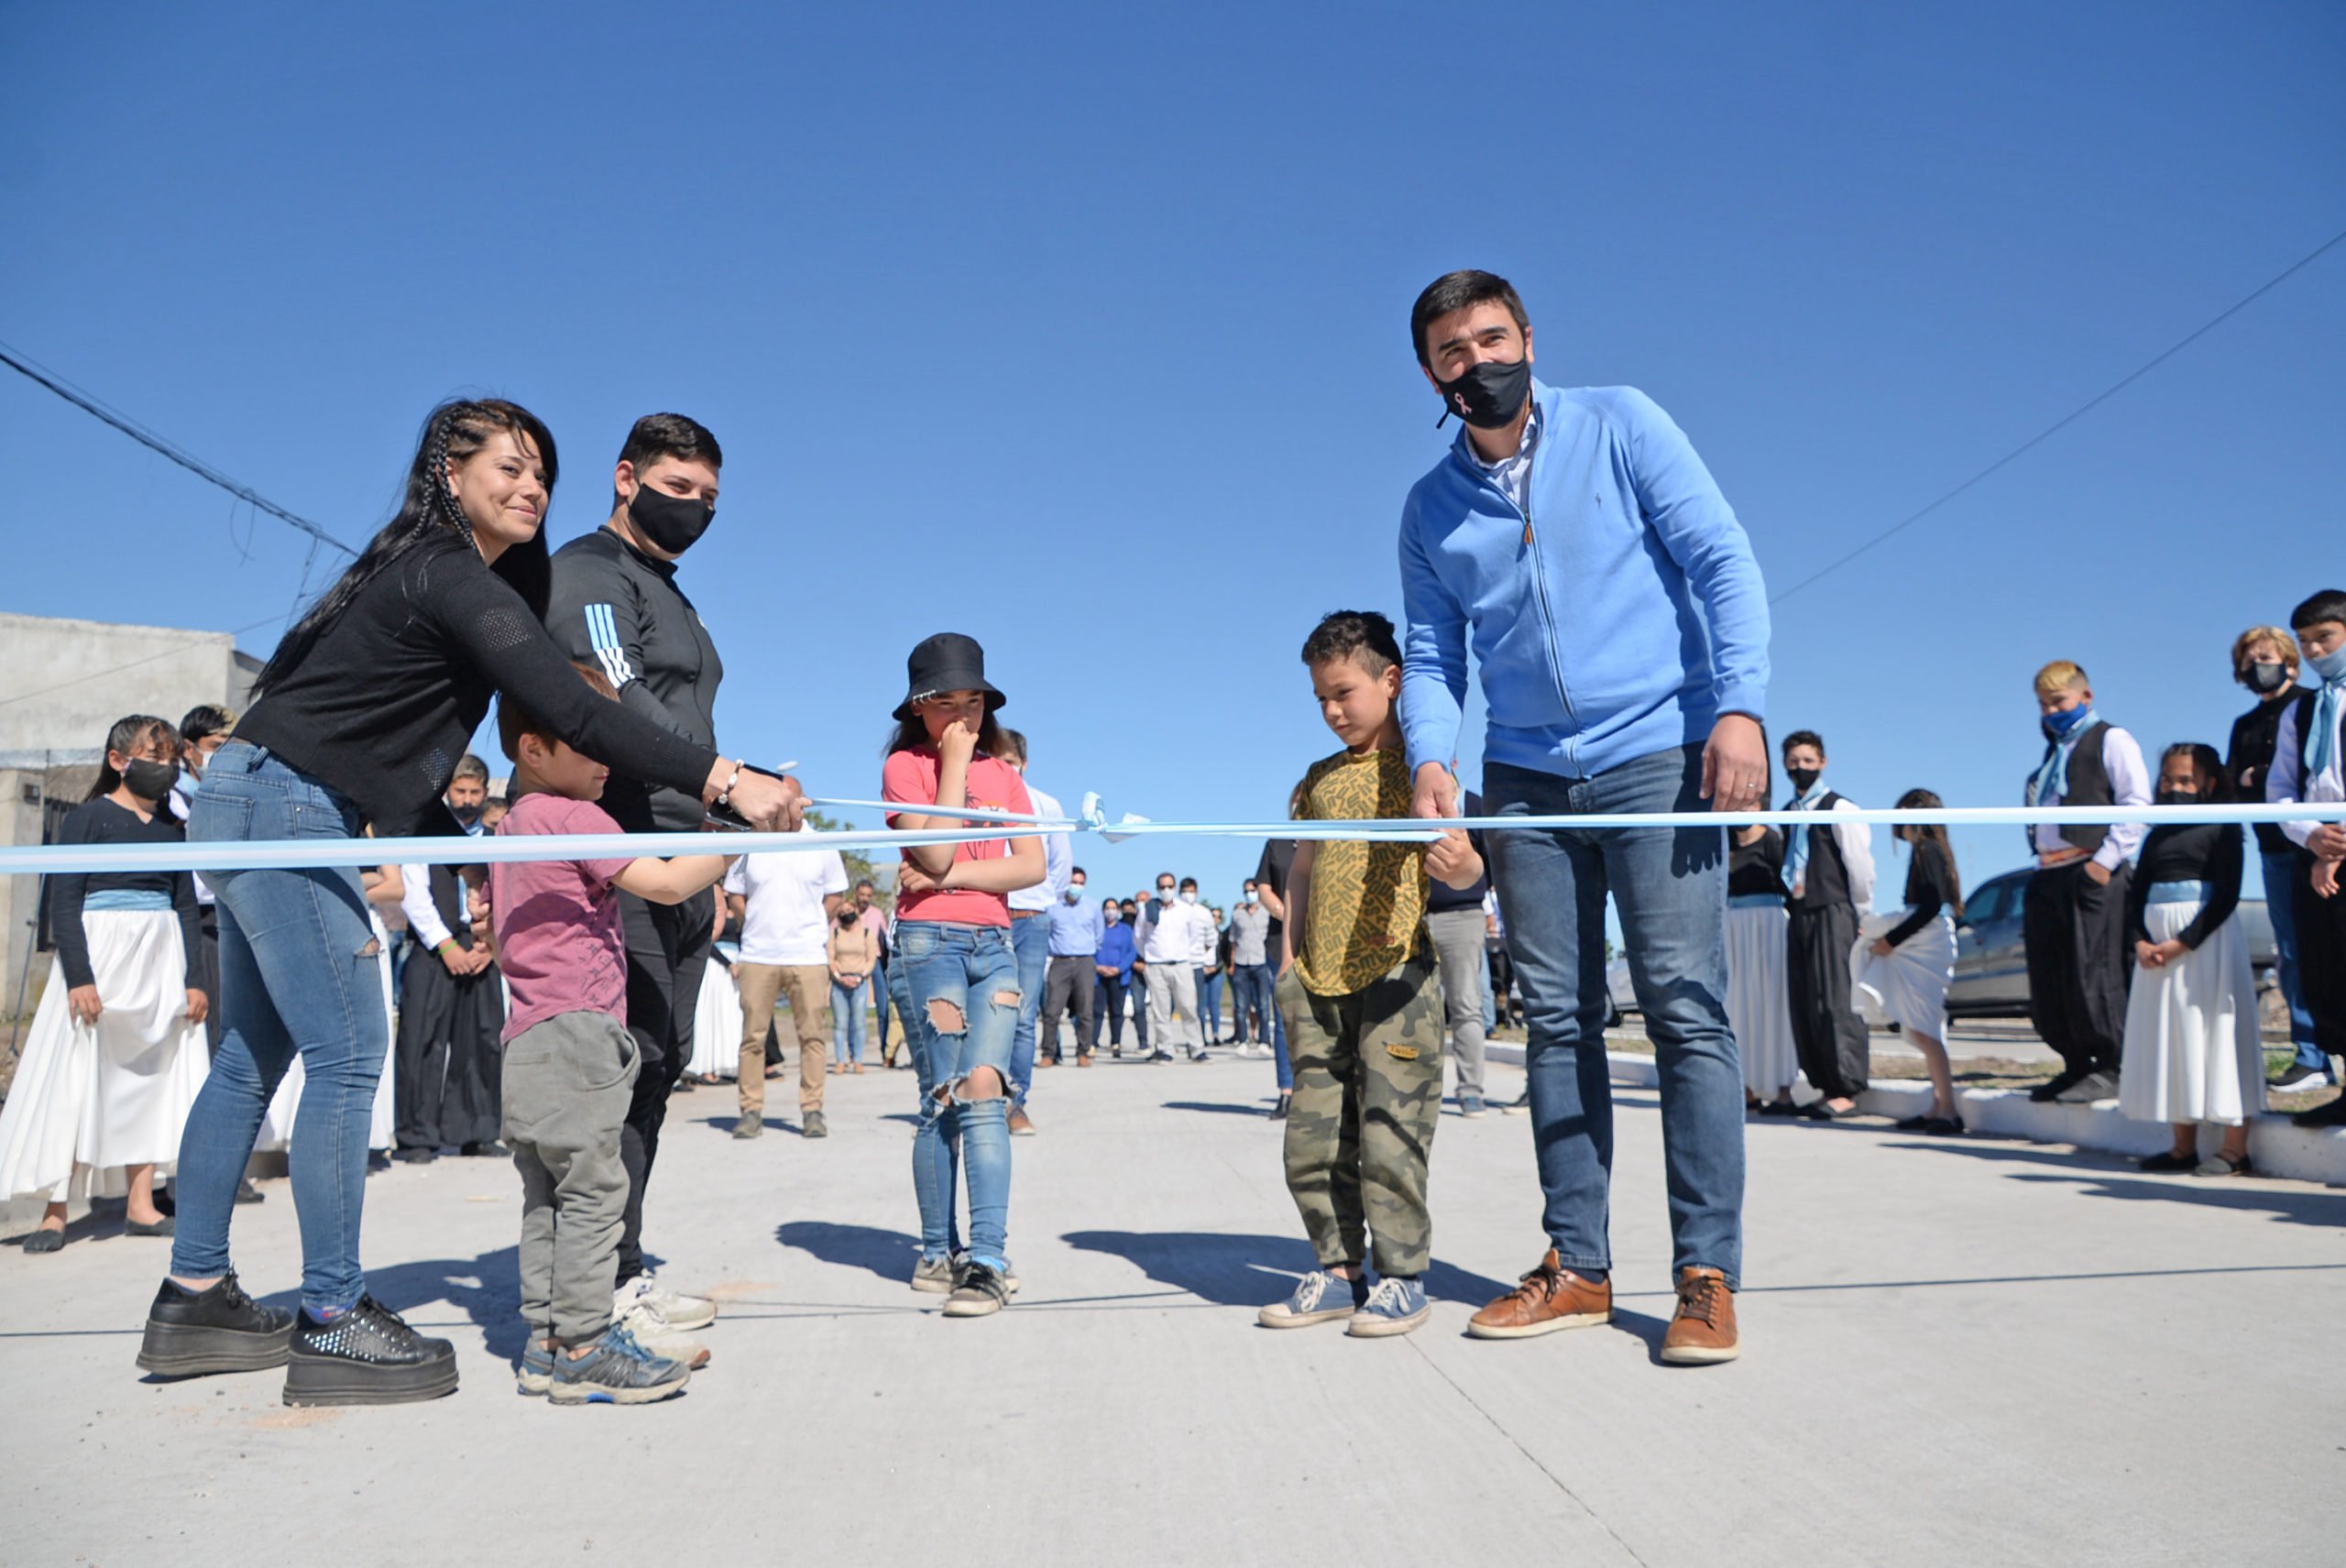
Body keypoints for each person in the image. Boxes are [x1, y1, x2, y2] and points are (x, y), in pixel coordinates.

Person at [141, 399, 795, 1408]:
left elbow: (410, 736)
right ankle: (331, 1316)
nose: (532, 486)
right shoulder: (446, 572)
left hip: (253, 790)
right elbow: (580, 710)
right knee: (351, 1052)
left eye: (542, 472)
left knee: (249, 1059)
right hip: (283, 802)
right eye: (510, 467)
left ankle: (194, 1298)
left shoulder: (438, 577)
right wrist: (724, 781)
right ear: (449, 474)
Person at [1396, 270, 1766, 1365]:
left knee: (1683, 1009)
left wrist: (1737, 706)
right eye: (1452, 352)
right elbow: (1430, 653)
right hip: (1523, 780)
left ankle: (1705, 1275)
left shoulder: (1619, 422)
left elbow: (1719, 558)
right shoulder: (1429, 508)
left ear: (1528, 338)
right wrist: (1431, 758)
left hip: (1660, 753)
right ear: (1430, 373)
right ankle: (1579, 1266)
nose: (1477, 362)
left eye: (1492, 338)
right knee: (1554, 1020)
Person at [545, 411, 762, 1332]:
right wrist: (726, 782)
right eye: (678, 490)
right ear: (626, 476)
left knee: (660, 1067)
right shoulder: (592, 574)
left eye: (710, 497)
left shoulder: (679, 597)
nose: (695, 509)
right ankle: (591, 1285)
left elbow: (682, 715)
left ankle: (622, 1264)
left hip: (683, 851)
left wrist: (712, 840)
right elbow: (617, 700)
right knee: (617, 1070)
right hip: (617, 847)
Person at [491, 662, 732, 1403]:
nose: (609, 758)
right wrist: (735, 841)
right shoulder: (574, 817)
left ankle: (546, 1342)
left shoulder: (510, 825)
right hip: (580, 1033)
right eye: (593, 742)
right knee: (595, 1190)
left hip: (525, 1034)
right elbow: (662, 882)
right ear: (534, 748)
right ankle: (588, 1346)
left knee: (547, 1196)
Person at [1258, 611, 1483, 1338]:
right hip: (1318, 984)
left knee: (1390, 1135)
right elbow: (1301, 867)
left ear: (1392, 680)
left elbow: (1473, 867)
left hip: (1396, 982)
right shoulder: (1316, 782)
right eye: (1320, 697)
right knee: (1314, 1142)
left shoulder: (1428, 774)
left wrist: (1468, 867)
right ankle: (1337, 1269)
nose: (1331, 710)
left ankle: (1402, 1277)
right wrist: (1290, 962)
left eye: (1344, 692)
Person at [0, 715, 210, 1252]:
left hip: (157, 966)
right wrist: (80, 977)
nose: (163, 770)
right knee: (74, 1080)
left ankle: (141, 1204)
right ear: (119, 761)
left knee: (149, 1081)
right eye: (152, 758)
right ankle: (55, 1211)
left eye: (170, 761)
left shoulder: (172, 828)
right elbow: (64, 903)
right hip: (100, 961)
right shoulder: (89, 819)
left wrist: (193, 979)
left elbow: (185, 907)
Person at [882, 632, 1045, 1318]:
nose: (962, 718)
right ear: (919, 709)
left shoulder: (1008, 778)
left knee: (986, 1088)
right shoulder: (903, 768)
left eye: (973, 702)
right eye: (945, 704)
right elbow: (936, 840)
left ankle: (987, 1260)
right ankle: (934, 1250)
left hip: (995, 944)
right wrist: (952, 764)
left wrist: (953, 874)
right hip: (928, 945)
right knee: (942, 1096)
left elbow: (1030, 866)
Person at [2121, 744, 2263, 1175]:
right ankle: (2182, 1146)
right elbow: (2135, 893)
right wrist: (2141, 942)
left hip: (2207, 947)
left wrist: (2183, 942)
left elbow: (2226, 895)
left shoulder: (2223, 826)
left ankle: (2236, 1150)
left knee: (2215, 1034)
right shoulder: (2156, 832)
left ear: (2209, 783)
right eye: (2168, 780)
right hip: (2156, 957)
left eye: (2185, 780)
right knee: (2174, 1041)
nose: (2174, 788)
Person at [2022, 661, 2150, 1105]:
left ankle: (2113, 1063)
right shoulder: (2054, 752)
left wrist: (2105, 861)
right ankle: (2074, 1062)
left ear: (2085, 697)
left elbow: (2136, 801)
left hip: (2091, 869)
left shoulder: (2110, 739)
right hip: (2049, 872)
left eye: (2059, 701)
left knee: (2093, 969)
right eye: (2044, 704)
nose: (2051, 711)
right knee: (2051, 974)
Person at [2226, 626, 2327, 1092]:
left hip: (2323, 844)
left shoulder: (2313, 706)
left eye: (2264, 656)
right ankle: (2311, 1054)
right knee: (2293, 953)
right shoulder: (2244, 726)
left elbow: (2307, 775)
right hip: (2275, 851)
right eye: (2248, 660)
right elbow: (2232, 785)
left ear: (2290, 660)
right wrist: (2252, 779)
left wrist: (2259, 776)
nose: (2256, 667)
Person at [393, 754, 508, 1163]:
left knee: (483, 1040)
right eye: (459, 791)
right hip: (433, 945)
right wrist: (445, 945)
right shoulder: (425, 834)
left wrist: (486, 945)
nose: (467, 799)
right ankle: (416, 1136)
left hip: (482, 947)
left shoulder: (495, 838)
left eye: (475, 792)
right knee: (421, 1039)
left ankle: (476, 1131)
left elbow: (510, 891)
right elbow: (413, 892)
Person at [2266, 588, 2346, 1128]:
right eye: (2306, 643)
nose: (2316, 651)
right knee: (2326, 973)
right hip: (2315, 853)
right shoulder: (2302, 710)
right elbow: (2279, 789)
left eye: (2326, 638)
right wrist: (2314, 837)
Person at [724, 830, 850, 1140]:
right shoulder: (749, 844)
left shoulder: (821, 844)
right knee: (753, 1038)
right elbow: (734, 893)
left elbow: (836, 894)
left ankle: (812, 1110)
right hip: (757, 953)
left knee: (812, 1037)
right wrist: (752, 919)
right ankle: (750, 1111)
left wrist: (812, 922)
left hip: (807, 954)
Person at [1779, 730, 1875, 1120]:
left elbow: (1861, 867)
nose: (1800, 768)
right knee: (1805, 1002)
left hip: (1834, 910)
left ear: (1822, 762)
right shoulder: (1787, 813)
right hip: (1799, 913)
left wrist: (1861, 913)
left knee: (1837, 999)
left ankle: (1846, 1086)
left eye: (1807, 760)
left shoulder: (1840, 808)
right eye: (1793, 761)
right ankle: (1822, 1082)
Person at [1857, 791, 1964, 1134]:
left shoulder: (1926, 850)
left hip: (1926, 944)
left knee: (1925, 1027)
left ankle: (1948, 1108)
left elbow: (1930, 906)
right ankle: (1938, 1104)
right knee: (1923, 1026)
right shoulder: (1931, 851)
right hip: (1927, 941)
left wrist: (1891, 940)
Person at [995, 728, 1066, 1135]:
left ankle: (1015, 1103)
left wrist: (1035, 898)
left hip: (1031, 920)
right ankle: (975, 1099)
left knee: (1022, 1018)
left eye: (1008, 762)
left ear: (1023, 763)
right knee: (985, 1012)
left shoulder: (1045, 805)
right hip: (990, 915)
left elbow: (1058, 863)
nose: (1001, 769)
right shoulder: (977, 803)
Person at [1422, 787, 1496, 1116]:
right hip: (1414, 917)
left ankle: (1470, 1090)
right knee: (1419, 1010)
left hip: (1463, 916)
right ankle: (1420, 1089)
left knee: (1466, 1005)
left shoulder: (1475, 805)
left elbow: (1491, 862)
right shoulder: (1410, 802)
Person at [1725, 816, 1799, 1117]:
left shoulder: (1772, 839)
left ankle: (1783, 1090)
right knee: (1737, 1004)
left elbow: (1789, 883)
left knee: (1775, 1004)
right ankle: (1746, 1090)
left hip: (1769, 925)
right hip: (1733, 927)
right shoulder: (1724, 838)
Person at [1140, 872, 1214, 1062]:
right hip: (1156, 966)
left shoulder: (1184, 910)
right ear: (1157, 889)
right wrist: (1150, 955)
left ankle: (1197, 1048)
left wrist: (1184, 955)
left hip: (1181, 965)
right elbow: (1139, 937)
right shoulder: (1148, 910)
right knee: (1161, 1011)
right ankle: (1165, 1049)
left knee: (1189, 1008)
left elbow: (1194, 936)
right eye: (1163, 887)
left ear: (1175, 888)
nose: (1166, 890)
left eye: (1170, 886)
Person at [1255, 828, 1301, 1117]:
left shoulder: (1331, 835)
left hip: (1325, 936)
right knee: (1284, 1019)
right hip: (1280, 940)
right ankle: (1287, 1090)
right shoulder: (1278, 843)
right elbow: (1263, 887)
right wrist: (1289, 915)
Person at [1043, 865, 1103, 1067]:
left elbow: (1099, 935)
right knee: (1052, 1011)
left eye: (1080, 883)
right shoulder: (1053, 907)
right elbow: (1048, 934)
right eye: (1073, 882)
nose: (1076, 886)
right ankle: (1049, 1053)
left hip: (1084, 960)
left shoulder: (1093, 907)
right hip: (1059, 961)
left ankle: (1084, 1052)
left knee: (1085, 1010)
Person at [828, 897, 879, 1074]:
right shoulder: (834, 933)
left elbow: (871, 958)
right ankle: (840, 1061)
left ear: (856, 911)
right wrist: (838, 976)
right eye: (841, 913)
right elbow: (830, 958)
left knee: (859, 1023)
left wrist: (861, 976)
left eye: (849, 911)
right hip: (839, 982)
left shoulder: (866, 933)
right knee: (840, 1023)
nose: (845, 915)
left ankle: (857, 1060)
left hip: (860, 982)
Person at [853, 883, 897, 1067]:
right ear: (856, 894)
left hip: (877, 961)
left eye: (868, 895)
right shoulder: (848, 912)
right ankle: (852, 1056)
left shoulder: (877, 913)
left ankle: (885, 1053)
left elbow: (887, 938)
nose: (865, 898)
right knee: (854, 1010)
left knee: (883, 1008)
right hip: (855, 961)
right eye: (862, 894)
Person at [1228, 883, 1275, 1052]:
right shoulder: (1238, 914)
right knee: (1241, 1006)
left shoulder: (1267, 912)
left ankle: (1264, 1040)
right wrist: (1232, 963)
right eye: (1246, 891)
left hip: (1260, 962)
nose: (1249, 894)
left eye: (1252, 891)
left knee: (1263, 1005)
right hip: (1241, 962)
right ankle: (1242, 1040)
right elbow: (1233, 940)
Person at [1094, 898, 1138, 1057]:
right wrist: (1098, 967)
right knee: (1097, 1010)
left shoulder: (1126, 930)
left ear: (1118, 910)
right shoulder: (1097, 928)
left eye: (1113, 908)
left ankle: (1115, 1043)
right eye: (1107, 908)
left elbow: (1131, 952)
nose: (1110, 911)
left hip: (1119, 976)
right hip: (1098, 975)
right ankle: (1092, 1043)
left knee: (1117, 1011)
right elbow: (1090, 949)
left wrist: (1119, 969)